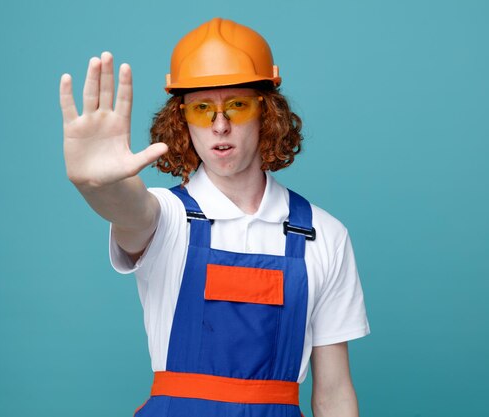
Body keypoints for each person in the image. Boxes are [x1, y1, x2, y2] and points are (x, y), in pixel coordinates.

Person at [60, 17, 370, 417]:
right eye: (202, 108)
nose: (219, 126)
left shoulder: (322, 234)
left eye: (237, 106)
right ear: (182, 120)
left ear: (267, 114)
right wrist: (97, 185)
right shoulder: (166, 218)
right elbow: (128, 208)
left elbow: (334, 393)